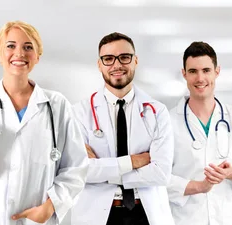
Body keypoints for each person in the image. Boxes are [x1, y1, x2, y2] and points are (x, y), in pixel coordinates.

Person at [0, 20, 89, 225]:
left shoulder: (57, 106)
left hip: (37, 220)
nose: (19, 53)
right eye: (10, 46)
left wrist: (50, 207)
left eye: (28, 47)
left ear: (37, 56)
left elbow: (77, 166)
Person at [70, 32, 175, 225]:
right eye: (108, 59)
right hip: (98, 214)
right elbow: (81, 171)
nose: (117, 65)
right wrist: (134, 161)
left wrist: (104, 170)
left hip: (146, 213)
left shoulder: (157, 112)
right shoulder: (79, 113)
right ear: (99, 64)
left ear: (135, 61)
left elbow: (161, 173)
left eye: (124, 58)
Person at [166, 41, 232, 225]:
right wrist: (197, 187)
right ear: (184, 74)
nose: (200, 78)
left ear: (217, 71)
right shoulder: (167, 123)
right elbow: (155, 178)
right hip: (186, 220)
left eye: (206, 70)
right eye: (193, 71)